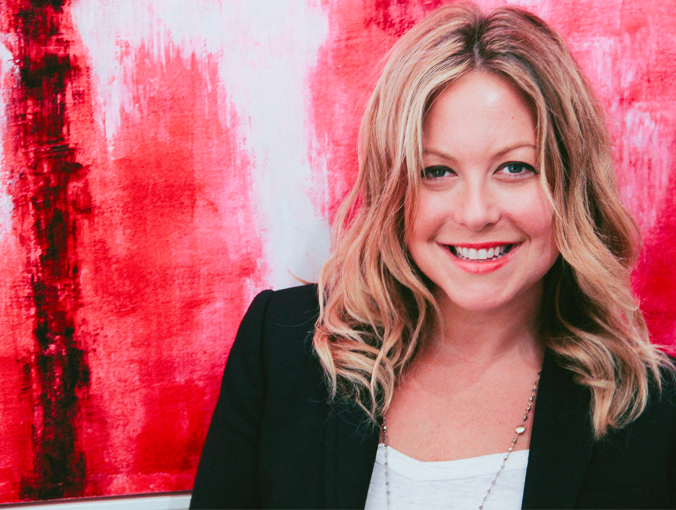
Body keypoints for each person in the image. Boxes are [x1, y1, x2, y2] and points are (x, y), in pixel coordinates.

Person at [190, 3, 676, 509]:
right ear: (394, 190)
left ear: (572, 184)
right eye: (437, 172)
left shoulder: (653, 409)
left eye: (515, 168)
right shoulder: (283, 346)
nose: (476, 213)